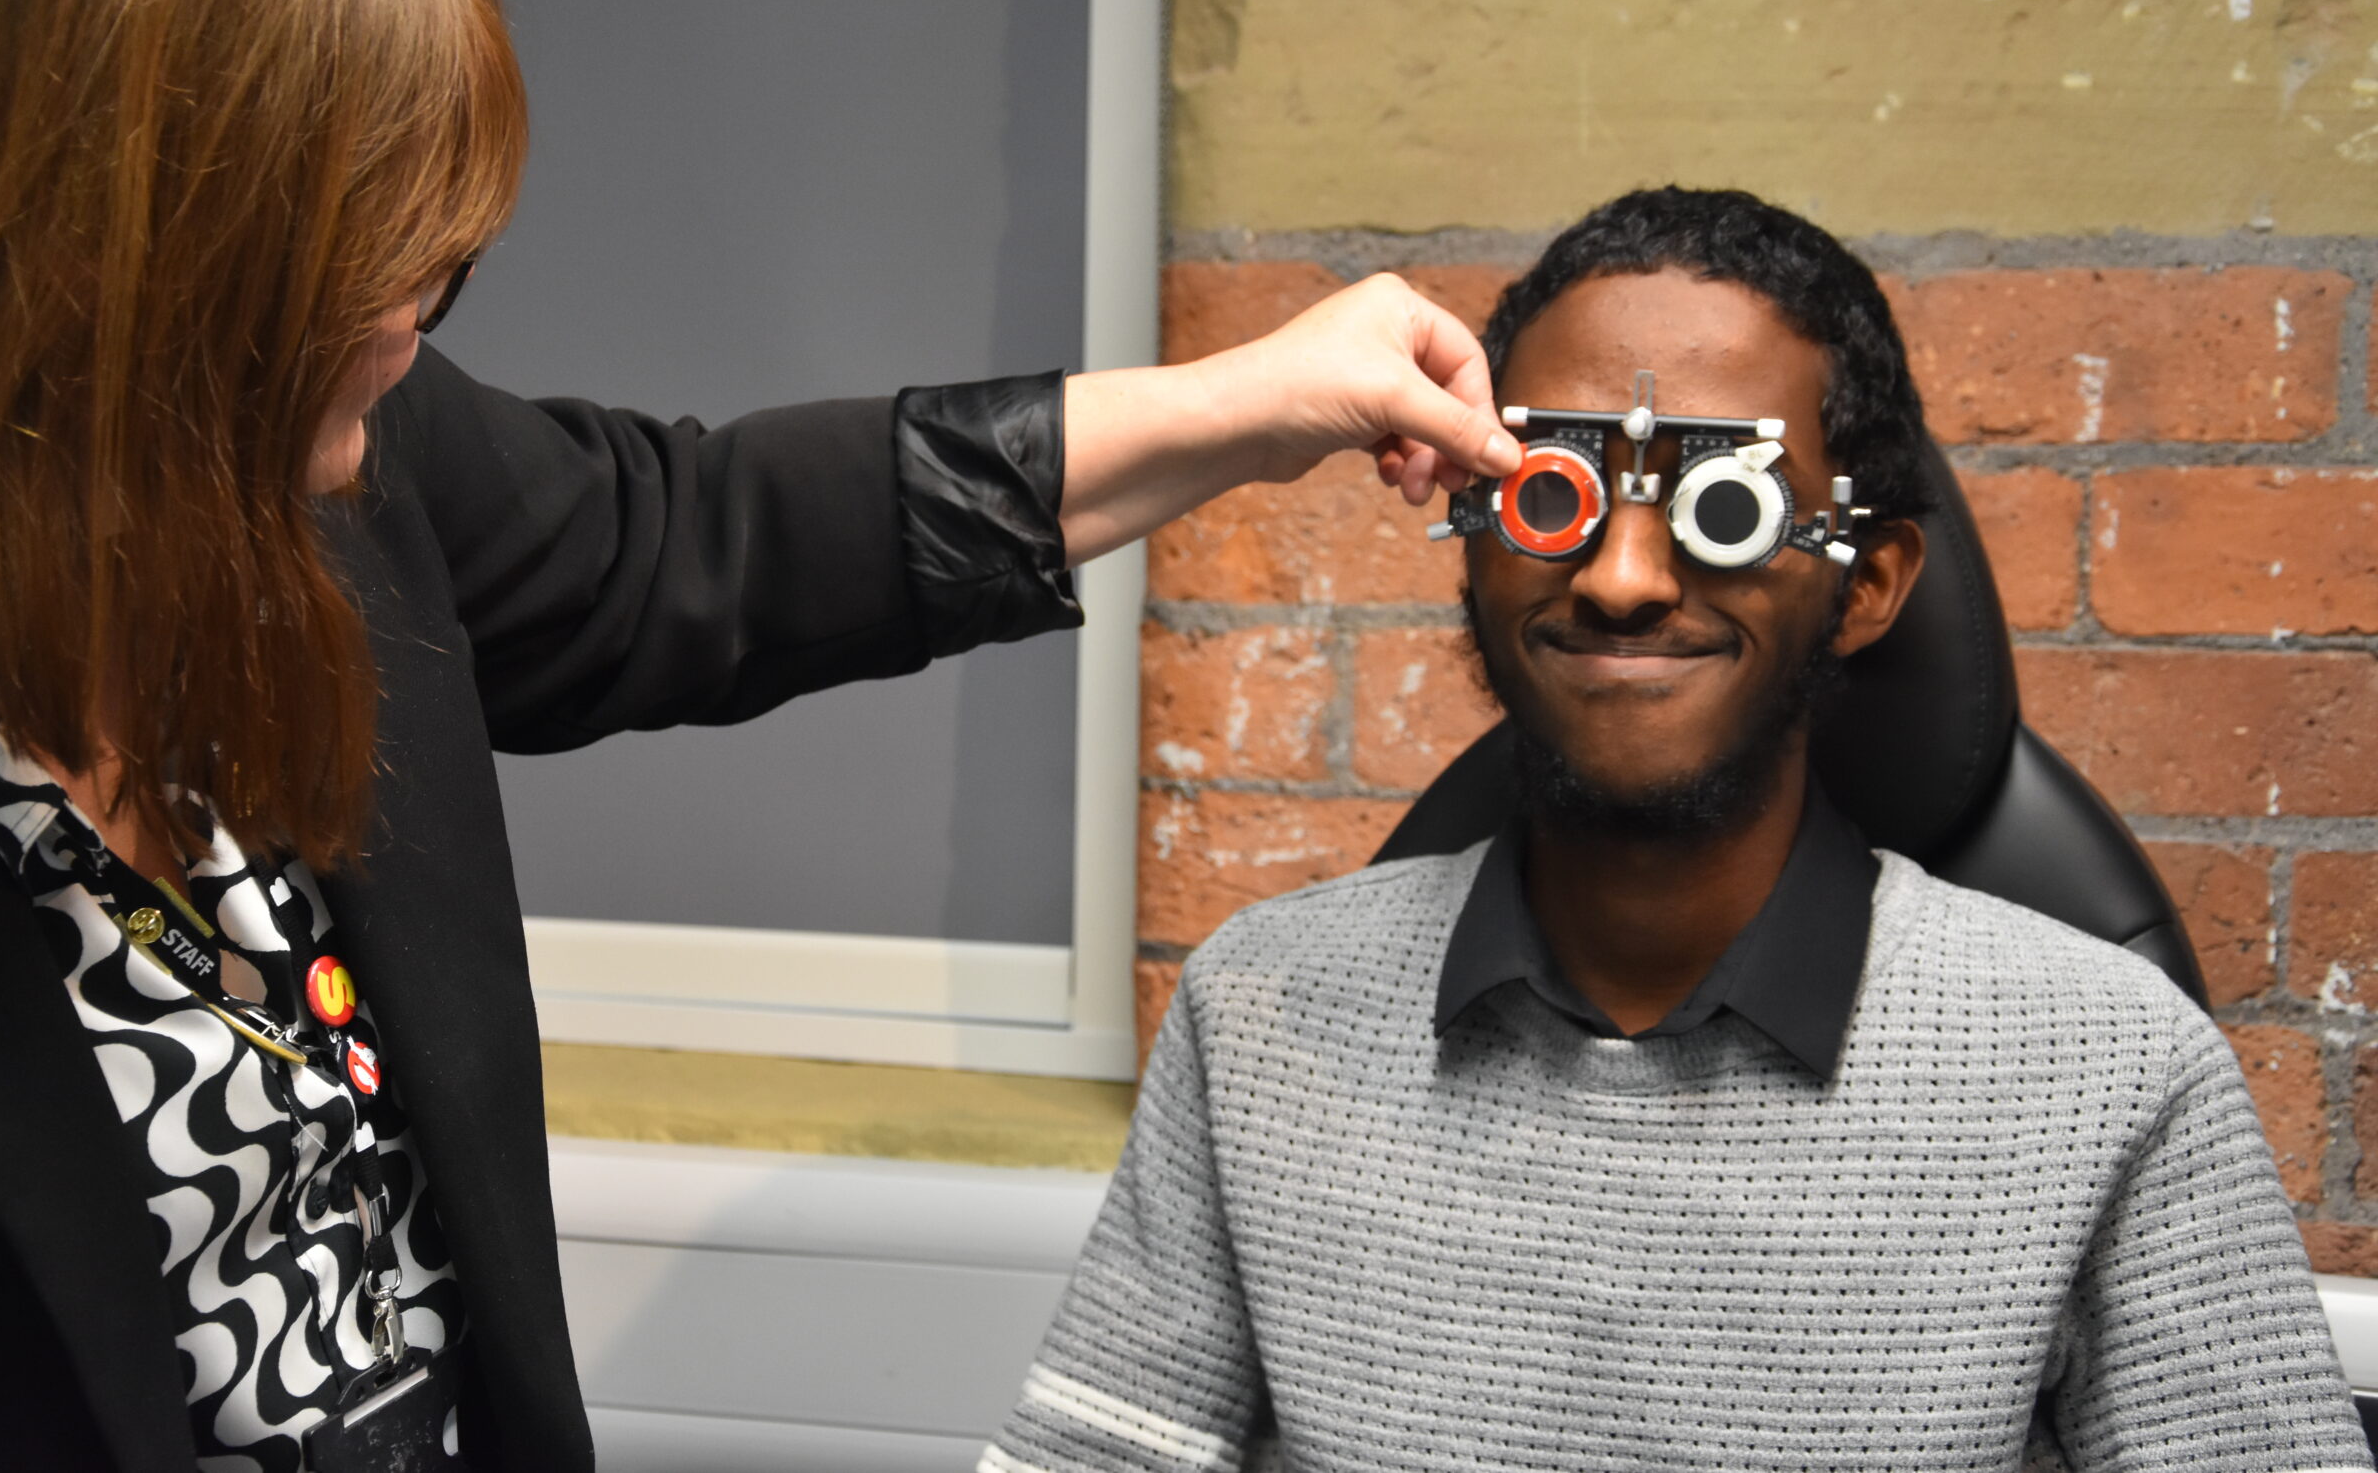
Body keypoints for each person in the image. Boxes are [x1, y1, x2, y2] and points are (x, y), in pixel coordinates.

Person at [0, 0, 1527, 1470]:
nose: (418, 317)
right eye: (350, 255)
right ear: (103, 273)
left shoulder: (330, 473)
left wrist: (1251, 402)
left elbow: (696, 545)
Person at [984, 188, 2368, 1473]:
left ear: (1870, 583)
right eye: (1556, 495)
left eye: (1722, 508)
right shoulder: (1262, 1016)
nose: (1625, 577)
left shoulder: (2110, 1071)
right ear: (1470, 524)